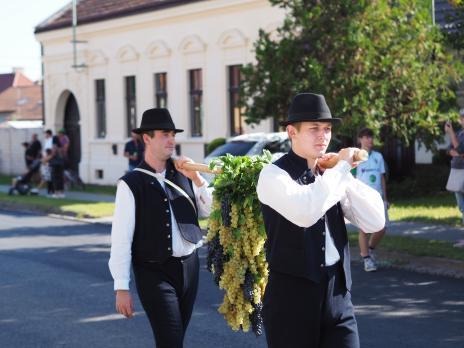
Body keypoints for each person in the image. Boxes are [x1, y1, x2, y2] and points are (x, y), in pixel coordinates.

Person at [256, 93, 385, 348]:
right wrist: (340, 170)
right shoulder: (272, 175)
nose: (323, 136)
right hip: (291, 302)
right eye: (314, 128)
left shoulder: (333, 176)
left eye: (327, 129)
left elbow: (375, 221)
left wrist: (344, 175)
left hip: (338, 296)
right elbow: (306, 211)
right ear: (292, 132)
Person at [108, 108, 213, 347]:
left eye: (173, 134)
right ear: (147, 138)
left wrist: (196, 178)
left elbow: (210, 209)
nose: (172, 139)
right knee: (170, 340)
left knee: (175, 339)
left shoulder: (185, 172)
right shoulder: (131, 184)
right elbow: (121, 238)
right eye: (165, 134)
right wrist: (121, 286)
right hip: (154, 273)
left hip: (190, 267)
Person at [353, 127, 388, 272]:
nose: (369, 140)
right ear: (360, 140)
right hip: (362, 198)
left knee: (382, 226)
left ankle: (370, 249)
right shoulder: (355, 157)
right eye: (366, 137)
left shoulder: (378, 157)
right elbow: (351, 179)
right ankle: (366, 259)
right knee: (364, 229)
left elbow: (382, 178)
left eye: (371, 137)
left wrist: (385, 198)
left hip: (378, 197)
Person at [444, 109, 464, 224]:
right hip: (456, 171)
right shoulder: (459, 134)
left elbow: (459, 149)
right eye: (461, 118)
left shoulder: (455, 134)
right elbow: (449, 149)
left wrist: (451, 133)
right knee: (461, 206)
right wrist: (458, 153)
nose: (462, 120)